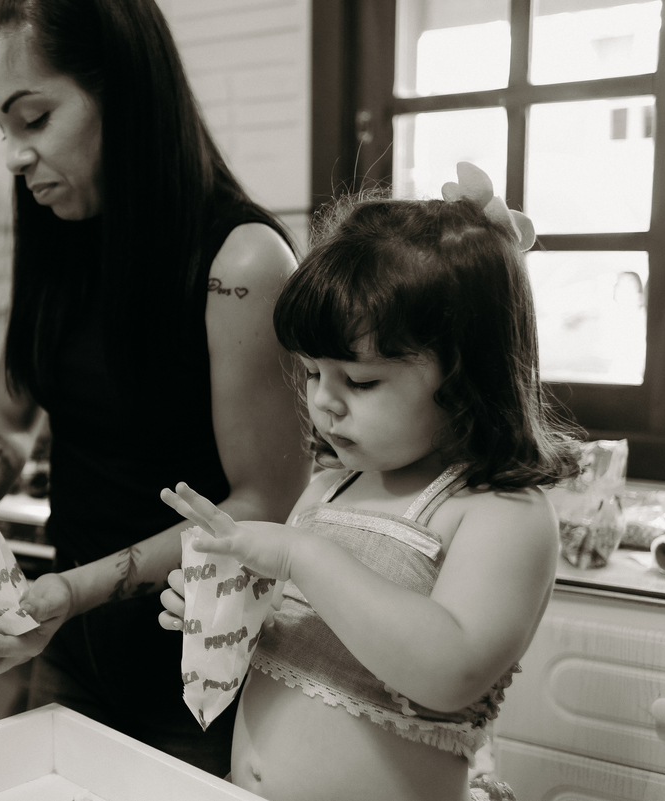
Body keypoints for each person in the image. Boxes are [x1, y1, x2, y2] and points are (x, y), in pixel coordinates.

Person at [0, 0, 311, 776]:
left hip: (199, 675)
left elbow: (262, 502)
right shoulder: (57, 230)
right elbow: (6, 421)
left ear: (125, 90)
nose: (14, 155)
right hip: (73, 655)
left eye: (34, 119)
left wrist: (74, 590)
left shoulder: (241, 263)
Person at [157, 164, 581, 801]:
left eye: (360, 381)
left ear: (467, 377)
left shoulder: (500, 513)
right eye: (311, 373)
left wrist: (300, 555)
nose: (324, 402)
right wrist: (234, 610)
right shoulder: (329, 487)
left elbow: (450, 671)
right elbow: (316, 640)